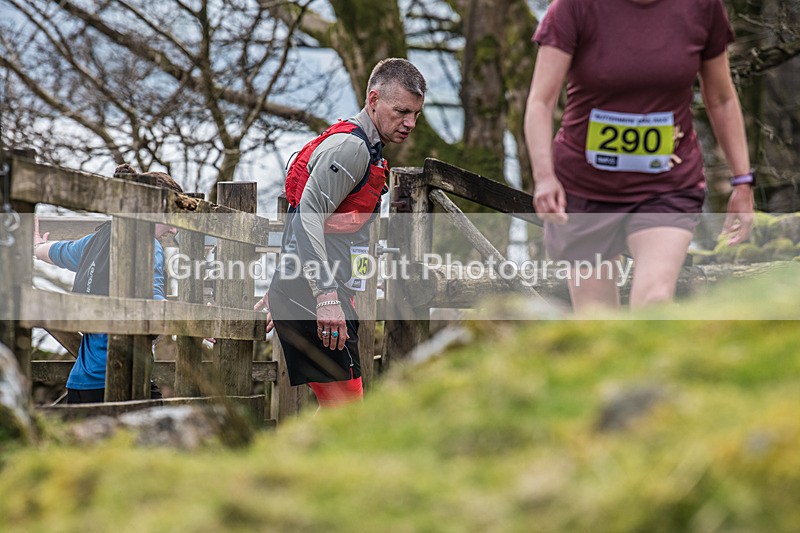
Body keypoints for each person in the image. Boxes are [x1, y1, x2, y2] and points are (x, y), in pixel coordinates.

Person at [524, 0, 754, 313]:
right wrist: (544, 177)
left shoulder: (701, 8)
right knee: (596, 318)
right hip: (584, 189)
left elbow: (723, 99)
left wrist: (742, 181)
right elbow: (540, 101)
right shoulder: (573, 8)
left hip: (667, 184)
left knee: (655, 300)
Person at [255, 58, 426, 408]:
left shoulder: (371, 150)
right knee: (347, 411)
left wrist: (287, 285)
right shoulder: (351, 149)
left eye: (416, 114)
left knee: (343, 411)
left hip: (316, 291)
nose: (410, 123)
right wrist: (322, 295)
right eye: (401, 111)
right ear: (373, 100)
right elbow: (305, 219)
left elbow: (337, 230)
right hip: (316, 295)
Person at [34, 168, 183, 403]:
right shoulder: (149, 245)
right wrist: (202, 322)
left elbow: (57, 252)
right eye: (171, 219)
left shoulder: (96, 240)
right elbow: (156, 304)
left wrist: (36, 246)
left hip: (80, 384)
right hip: (122, 379)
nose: (174, 229)